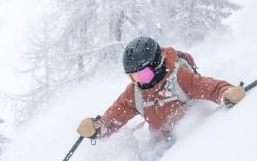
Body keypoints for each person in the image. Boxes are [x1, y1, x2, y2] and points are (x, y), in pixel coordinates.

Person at [77, 36, 246, 141]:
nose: (139, 81)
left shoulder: (180, 78)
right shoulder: (135, 93)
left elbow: (211, 88)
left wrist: (227, 92)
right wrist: (97, 128)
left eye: (143, 74)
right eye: (133, 76)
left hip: (189, 141)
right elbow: (113, 120)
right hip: (160, 146)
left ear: (157, 65)